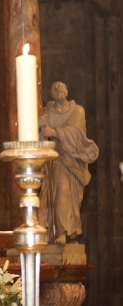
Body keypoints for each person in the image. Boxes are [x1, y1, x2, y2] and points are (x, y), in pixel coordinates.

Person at [39, 81, 99, 244]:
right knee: (47, 198)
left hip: (70, 162)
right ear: (51, 93)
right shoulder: (48, 111)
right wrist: (40, 127)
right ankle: (53, 231)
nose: (58, 89)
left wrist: (56, 132)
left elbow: (77, 134)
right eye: (55, 87)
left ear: (67, 91)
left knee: (63, 193)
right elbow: (39, 131)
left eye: (61, 87)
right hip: (52, 161)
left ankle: (62, 230)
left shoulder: (77, 111)